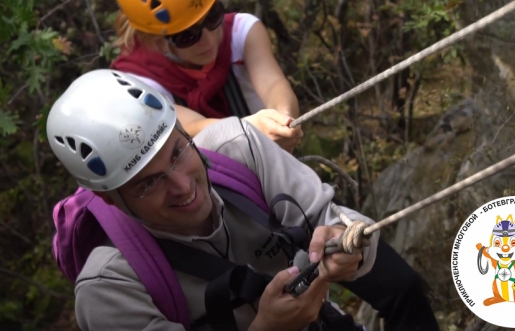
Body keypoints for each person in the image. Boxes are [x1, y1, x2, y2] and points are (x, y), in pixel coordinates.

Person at [48, 69, 379, 330]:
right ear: (108, 199)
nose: (182, 185)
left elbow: (339, 220)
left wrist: (348, 243)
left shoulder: (239, 150)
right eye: (148, 184)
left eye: (178, 152)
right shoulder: (109, 288)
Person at [111, 0, 303, 152]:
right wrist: (247, 130)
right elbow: (190, 126)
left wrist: (284, 115)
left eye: (212, 17)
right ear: (156, 42)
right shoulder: (140, 82)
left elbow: (273, 84)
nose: (208, 40)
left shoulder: (241, 32)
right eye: (188, 35)